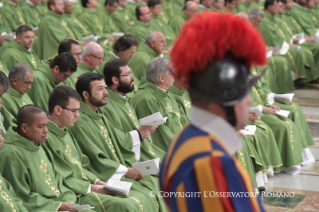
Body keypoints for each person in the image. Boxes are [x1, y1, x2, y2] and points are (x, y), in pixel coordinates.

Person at [160, 12, 266, 211]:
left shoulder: (186, 139)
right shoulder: (212, 163)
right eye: (245, 93)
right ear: (224, 102)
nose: (250, 100)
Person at [69, 72, 167, 212]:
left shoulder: (99, 115)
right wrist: (126, 171)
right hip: (104, 175)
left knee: (158, 185)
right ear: (85, 95)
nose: (105, 92)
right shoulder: (80, 122)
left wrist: (136, 166)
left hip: (120, 169)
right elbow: (96, 159)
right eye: (99, 89)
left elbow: (119, 142)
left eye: (105, 88)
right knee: (140, 200)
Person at [43, 85, 142, 212]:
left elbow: (82, 164)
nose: (78, 115)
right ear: (58, 110)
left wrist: (98, 181)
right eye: (74, 111)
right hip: (74, 193)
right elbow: (60, 176)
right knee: (128, 206)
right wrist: (92, 188)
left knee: (137, 198)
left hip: (85, 186)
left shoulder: (65, 132)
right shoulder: (46, 138)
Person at [0, 105, 96, 212]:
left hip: (62, 202)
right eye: (41, 127)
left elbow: (58, 179)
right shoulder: (11, 154)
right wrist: (58, 206)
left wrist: (67, 201)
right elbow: (22, 196)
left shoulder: (38, 145)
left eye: (47, 126)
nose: (46, 131)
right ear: (24, 128)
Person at [100, 59, 165, 162]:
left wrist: (145, 129)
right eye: (127, 74)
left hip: (147, 151)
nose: (132, 77)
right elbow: (116, 141)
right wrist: (139, 133)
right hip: (133, 159)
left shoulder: (124, 99)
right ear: (115, 80)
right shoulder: (106, 106)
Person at [131, 58, 183, 151]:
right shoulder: (146, 99)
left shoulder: (167, 93)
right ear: (162, 78)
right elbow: (160, 134)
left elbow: (181, 118)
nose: (176, 76)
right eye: (173, 73)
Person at [1, 63, 33, 129]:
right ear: (15, 81)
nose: (30, 87)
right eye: (27, 83)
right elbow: (12, 127)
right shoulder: (3, 98)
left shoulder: (23, 93)